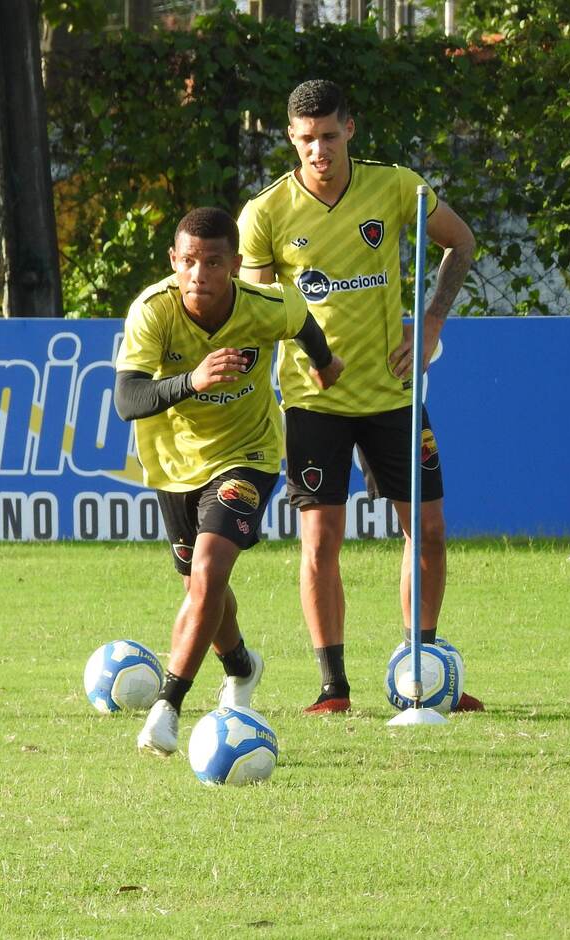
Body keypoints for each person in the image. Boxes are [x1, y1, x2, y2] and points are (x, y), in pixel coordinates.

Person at [236, 79, 482, 714]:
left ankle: (420, 673)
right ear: (291, 138)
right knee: (320, 543)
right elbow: (258, 309)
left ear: (350, 128)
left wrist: (430, 322)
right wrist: (305, 355)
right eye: (306, 139)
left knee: (426, 531)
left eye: (329, 135)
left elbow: (462, 241)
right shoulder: (264, 214)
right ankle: (333, 688)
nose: (318, 150)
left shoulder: (396, 186)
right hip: (314, 401)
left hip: (394, 394)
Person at [114, 207, 344, 754]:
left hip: (251, 452)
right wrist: (192, 380)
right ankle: (240, 666)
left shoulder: (266, 303)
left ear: (235, 265)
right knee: (198, 581)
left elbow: (302, 322)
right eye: (189, 261)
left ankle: (167, 707)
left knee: (210, 566)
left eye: (213, 262)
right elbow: (128, 400)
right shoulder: (153, 311)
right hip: (173, 464)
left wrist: (325, 362)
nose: (199, 274)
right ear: (174, 261)